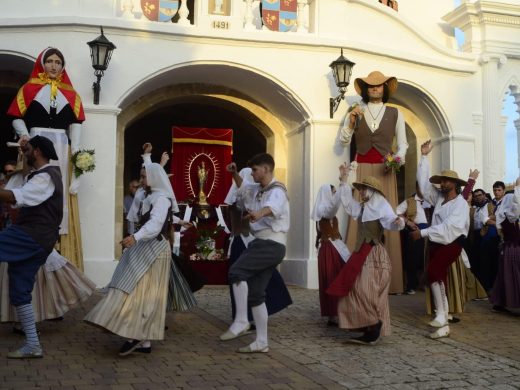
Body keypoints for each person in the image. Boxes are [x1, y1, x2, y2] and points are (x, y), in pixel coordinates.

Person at [84, 162, 193, 356]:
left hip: (155, 249)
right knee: (137, 289)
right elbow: (141, 217)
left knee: (145, 292)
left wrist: (135, 237)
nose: (141, 180)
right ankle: (144, 342)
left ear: (153, 178)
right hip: (143, 245)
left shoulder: (162, 199)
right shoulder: (148, 195)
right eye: (141, 176)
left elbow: (156, 222)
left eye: (144, 177)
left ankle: (135, 334)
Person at [7, 47, 86, 270]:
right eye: (50, 61)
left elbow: (76, 126)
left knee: (58, 190)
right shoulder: (29, 89)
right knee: (34, 183)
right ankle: (33, 232)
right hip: (36, 144)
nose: (54, 65)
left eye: (58, 62)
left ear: (62, 66)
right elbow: (15, 116)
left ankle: (58, 245)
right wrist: (24, 135)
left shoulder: (71, 94)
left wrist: (77, 158)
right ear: (43, 64)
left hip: (61, 146)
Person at [340, 70, 408, 293]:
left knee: (385, 217)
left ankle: (392, 280)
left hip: (385, 168)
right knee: (360, 219)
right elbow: (344, 140)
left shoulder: (396, 113)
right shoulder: (356, 111)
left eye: (379, 86)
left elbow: (404, 144)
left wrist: (397, 160)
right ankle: (355, 275)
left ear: (385, 89)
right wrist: (350, 122)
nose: (375, 89)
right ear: (366, 90)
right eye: (371, 86)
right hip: (362, 169)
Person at [0, 135, 62, 358]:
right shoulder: (37, 175)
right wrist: (23, 146)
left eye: (28, 150)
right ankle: (33, 345)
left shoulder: (45, 177)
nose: (23, 153)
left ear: (36, 152)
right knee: (20, 291)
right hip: (37, 239)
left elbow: (22, 196)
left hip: (31, 236)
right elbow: (18, 184)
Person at [220, 153, 289, 353]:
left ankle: (241, 320)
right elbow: (243, 188)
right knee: (257, 294)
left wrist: (258, 213)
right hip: (265, 244)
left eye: (255, 170)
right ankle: (261, 342)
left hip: (270, 244)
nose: (252, 173)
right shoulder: (258, 188)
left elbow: (272, 207)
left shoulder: (278, 190)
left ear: (266, 169)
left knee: (236, 272)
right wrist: (234, 173)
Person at [327, 169, 404, 345]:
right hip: (362, 253)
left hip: (374, 254)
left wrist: (398, 222)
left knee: (365, 290)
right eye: (360, 189)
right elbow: (348, 203)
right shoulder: (362, 207)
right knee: (356, 289)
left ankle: (374, 325)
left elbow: (391, 221)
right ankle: (370, 327)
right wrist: (344, 180)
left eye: (364, 189)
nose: (361, 192)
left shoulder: (381, 204)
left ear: (373, 191)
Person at [412, 140, 469, 339]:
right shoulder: (438, 198)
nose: (443, 183)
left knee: (435, 271)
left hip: (452, 243)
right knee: (437, 276)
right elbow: (424, 183)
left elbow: (449, 228)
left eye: (447, 181)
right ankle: (443, 324)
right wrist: (424, 156)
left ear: (455, 184)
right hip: (436, 243)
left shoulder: (460, 204)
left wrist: (424, 232)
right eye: (442, 180)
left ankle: (441, 315)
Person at [311, 184, 350, 326]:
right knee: (331, 278)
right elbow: (333, 208)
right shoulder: (323, 210)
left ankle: (341, 311)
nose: (334, 196)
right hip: (329, 249)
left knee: (340, 276)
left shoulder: (327, 209)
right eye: (332, 193)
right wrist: (342, 186)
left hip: (336, 247)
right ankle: (333, 314)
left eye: (335, 193)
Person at [489, 178, 520, 312]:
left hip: (507, 248)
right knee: (513, 275)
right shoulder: (511, 216)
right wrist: (518, 188)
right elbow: (516, 206)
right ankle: (504, 302)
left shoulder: (502, 215)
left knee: (505, 276)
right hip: (514, 248)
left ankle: (500, 303)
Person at [396, 182, 431, 295]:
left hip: (431, 232)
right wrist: (408, 222)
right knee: (413, 259)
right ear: (416, 187)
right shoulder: (409, 201)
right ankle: (411, 286)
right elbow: (396, 212)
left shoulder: (432, 200)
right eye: (421, 186)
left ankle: (425, 284)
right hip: (415, 231)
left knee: (427, 258)